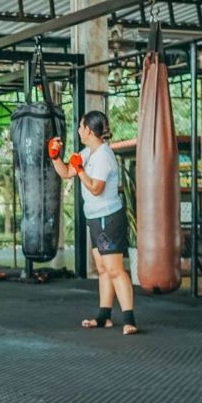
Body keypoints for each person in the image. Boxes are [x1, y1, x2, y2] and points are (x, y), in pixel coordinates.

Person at [49, 111, 137, 336]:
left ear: (89, 130)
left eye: (80, 127)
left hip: (109, 217)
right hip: (95, 218)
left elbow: (95, 188)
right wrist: (55, 157)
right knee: (102, 269)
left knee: (115, 269)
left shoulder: (104, 156)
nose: (78, 131)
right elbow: (67, 172)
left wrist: (79, 170)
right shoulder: (88, 152)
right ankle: (104, 316)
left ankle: (129, 319)